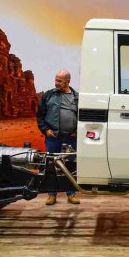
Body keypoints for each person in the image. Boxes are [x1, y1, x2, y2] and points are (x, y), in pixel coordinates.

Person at [36, 69, 80, 205]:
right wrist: (46, 130)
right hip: (53, 137)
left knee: (70, 165)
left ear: (67, 81)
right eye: (56, 80)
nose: (56, 83)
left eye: (59, 81)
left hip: (71, 138)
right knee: (51, 166)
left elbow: (82, 116)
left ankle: (71, 194)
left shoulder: (76, 97)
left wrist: (76, 131)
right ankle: (51, 195)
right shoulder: (48, 95)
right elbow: (40, 115)